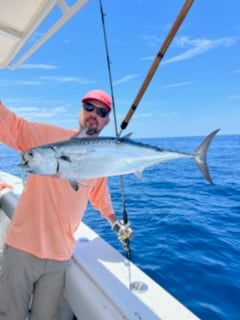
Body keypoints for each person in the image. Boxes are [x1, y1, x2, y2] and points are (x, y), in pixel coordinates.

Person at [0, 89, 132, 320]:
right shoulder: (48, 136)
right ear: (81, 110)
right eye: (89, 108)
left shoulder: (100, 159)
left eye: (101, 111)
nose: (93, 114)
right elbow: (12, 125)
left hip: (59, 259)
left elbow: (100, 195)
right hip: (21, 249)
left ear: (106, 120)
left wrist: (115, 224)